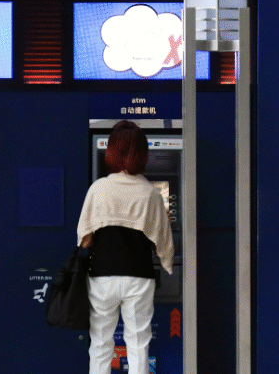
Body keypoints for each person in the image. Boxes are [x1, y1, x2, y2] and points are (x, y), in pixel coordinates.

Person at [76, 120, 174, 374]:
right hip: (138, 277)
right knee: (138, 344)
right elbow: (162, 243)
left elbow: (84, 239)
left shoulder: (98, 189)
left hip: (102, 276)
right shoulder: (151, 193)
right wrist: (167, 261)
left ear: (111, 152)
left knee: (100, 344)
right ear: (142, 154)